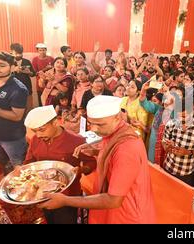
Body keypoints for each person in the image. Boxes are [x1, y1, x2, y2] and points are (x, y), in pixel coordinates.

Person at [39, 95, 156, 224]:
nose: (94, 129)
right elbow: (111, 150)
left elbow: (113, 200)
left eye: (100, 124)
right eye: (90, 123)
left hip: (125, 215)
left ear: (117, 118)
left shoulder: (126, 149)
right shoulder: (118, 131)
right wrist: (95, 151)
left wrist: (65, 200)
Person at [23, 105, 96, 224]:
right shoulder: (36, 140)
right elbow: (29, 161)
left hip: (67, 197)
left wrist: (81, 169)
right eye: (35, 131)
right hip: (43, 193)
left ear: (55, 122)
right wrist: (22, 169)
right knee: (49, 218)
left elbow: (92, 162)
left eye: (42, 129)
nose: (39, 135)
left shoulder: (76, 141)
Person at [0, 51, 28, 174]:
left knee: (19, 170)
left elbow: (17, 116)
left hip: (12, 139)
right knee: (4, 166)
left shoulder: (18, 89)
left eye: (2, 65)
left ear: (12, 67)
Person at [162, 99, 194, 186]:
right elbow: (164, 144)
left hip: (186, 172)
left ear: (193, 111)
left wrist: (188, 152)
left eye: (184, 116)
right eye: (179, 116)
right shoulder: (170, 124)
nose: (181, 120)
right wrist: (168, 146)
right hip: (168, 167)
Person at [10, 43, 35, 110]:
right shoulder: (9, 62)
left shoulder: (27, 61)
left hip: (27, 87)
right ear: (12, 52)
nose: (19, 55)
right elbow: (5, 75)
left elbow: (33, 74)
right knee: (17, 108)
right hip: (14, 89)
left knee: (29, 107)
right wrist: (13, 71)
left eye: (20, 53)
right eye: (17, 53)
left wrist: (29, 72)